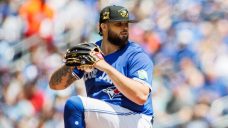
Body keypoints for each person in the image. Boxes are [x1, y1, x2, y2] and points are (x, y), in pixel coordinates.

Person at [49, 5, 154, 128]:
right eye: (118, 24)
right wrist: (71, 66)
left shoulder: (135, 55)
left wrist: (105, 67)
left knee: (75, 105)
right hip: (103, 118)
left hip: (135, 117)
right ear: (103, 27)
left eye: (126, 24)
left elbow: (141, 96)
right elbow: (55, 85)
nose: (124, 28)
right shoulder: (90, 52)